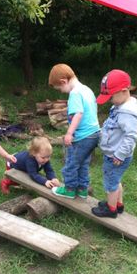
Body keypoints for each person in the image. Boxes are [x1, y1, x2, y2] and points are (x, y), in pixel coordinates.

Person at [91, 69, 137, 218]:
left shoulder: (127, 114)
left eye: (111, 97)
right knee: (116, 180)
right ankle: (118, 205)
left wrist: (119, 155)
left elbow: (131, 137)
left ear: (124, 91)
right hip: (114, 154)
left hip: (116, 157)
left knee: (110, 184)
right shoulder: (119, 107)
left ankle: (110, 209)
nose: (110, 100)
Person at [48, 63, 100, 199]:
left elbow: (78, 113)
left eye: (59, 88)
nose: (61, 91)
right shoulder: (87, 89)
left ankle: (69, 189)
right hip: (94, 134)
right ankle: (83, 189)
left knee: (71, 163)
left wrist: (69, 133)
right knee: (83, 163)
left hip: (82, 137)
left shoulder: (75, 93)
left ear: (63, 81)